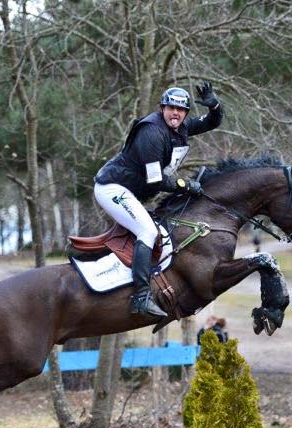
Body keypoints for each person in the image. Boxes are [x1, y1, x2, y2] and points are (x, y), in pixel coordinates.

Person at [94, 82, 223, 319]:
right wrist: (185, 185)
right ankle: (141, 297)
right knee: (147, 231)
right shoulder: (151, 132)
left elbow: (212, 122)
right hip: (112, 188)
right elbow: (155, 181)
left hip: (132, 191)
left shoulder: (180, 127)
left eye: (181, 110)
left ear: (185, 113)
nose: (176, 113)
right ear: (162, 108)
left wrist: (214, 105)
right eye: (171, 108)